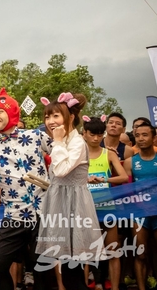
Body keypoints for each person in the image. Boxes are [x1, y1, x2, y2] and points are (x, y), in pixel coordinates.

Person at [0, 88, 49, 290]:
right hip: (15, 215)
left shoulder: (35, 135)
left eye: (0, 111)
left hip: (43, 211)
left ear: (12, 113)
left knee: (41, 264)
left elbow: (60, 153)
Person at [35, 93, 102, 289]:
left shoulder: (77, 142)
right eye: (47, 116)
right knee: (64, 263)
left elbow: (61, 170)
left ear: (70, 117)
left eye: (56, 116)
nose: (50, 121)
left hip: (74, 205)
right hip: (59, 202)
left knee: (73, 267)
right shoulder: (63, 140)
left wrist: (56, 142)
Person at [82, 115, 128, 290]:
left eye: (99, 135)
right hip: (85, 207)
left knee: (113, 251)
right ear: (84, 133)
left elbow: (123, 176)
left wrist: (104, 180)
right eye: (92, 134)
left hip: (107, 206)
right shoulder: (79, 155)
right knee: (86, 253)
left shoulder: (108, 153)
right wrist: (85, 179)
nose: (96, 138)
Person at [123, 122, 157, 290]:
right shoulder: (130, 162)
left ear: (154, 138)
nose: (140, 138)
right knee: (141, 254)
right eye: (137, 135)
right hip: (139, 213)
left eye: (145, 135)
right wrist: (138, 205)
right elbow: (127, 190)